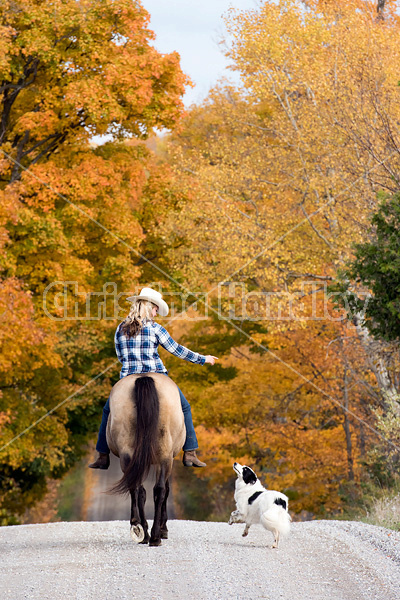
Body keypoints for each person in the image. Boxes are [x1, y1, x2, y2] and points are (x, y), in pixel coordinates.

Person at [89, 287, 218, 470]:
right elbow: (177, 350)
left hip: (128, 376)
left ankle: (102, 455)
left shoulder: (121, 328)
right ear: (149, 307)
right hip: (157, 374)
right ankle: (190, 452)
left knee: (107, 411)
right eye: (156, 309)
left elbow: (120, 356)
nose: (157, 313)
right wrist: (202, 359)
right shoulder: (156, 328)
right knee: (185, 407)